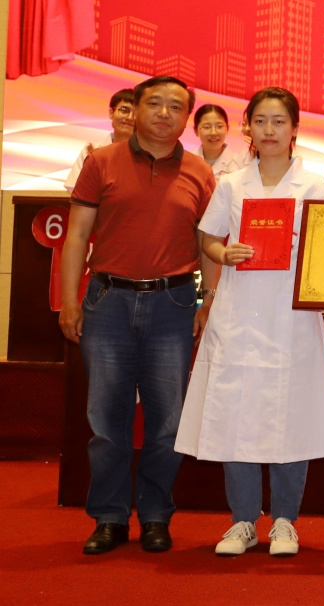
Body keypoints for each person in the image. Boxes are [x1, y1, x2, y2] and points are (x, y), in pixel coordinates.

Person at [175, 87, 324, 558]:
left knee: (292, 416)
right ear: (248, 127)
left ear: (295, 129)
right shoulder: (232, 184)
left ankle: (285, 522)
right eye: (261, 121)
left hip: (292, 315)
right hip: (240, 311)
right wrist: (225, 252)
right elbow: (208, 237)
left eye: (279, 121)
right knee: (236, 415)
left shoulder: (315, 186)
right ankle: (242, 520)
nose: (269, 130)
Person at [59, 76, 216, 555]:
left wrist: (208, 302)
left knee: (167, 423)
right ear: (136, 108)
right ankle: (108, 517)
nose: (165, 113)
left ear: (186, 119)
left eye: (176, 107)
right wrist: (70, 301)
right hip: (108, 301)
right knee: (107, 421)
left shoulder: (199, 172)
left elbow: (208, 243)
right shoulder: (101, 162)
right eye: (155, 104)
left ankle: (155, 515)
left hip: (173, 304)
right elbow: (76, 235)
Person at [64, 88, 136, 192]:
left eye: (136, 113)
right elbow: (75, 191)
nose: (130, 117)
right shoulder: (92, 153)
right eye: (124, 110)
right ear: (111, 113)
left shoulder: (147, 154)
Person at [193, 103, 250, 179]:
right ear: (196, 130)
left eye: (219, 126)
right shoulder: (187, 160)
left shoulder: (240, 163)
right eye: (207, 127)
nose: (213, 132)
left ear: (227, 129)